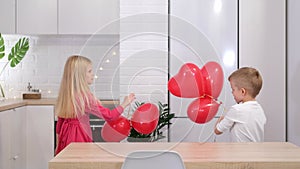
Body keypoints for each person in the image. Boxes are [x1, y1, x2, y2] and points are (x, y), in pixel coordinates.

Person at [55, 55, 135, 155]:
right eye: (89, 71)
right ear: (80, 75)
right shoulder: (84, 98)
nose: (93, 74)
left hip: (65, 137)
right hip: (78, 137)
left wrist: (58, 146)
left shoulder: (66, 94)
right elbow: (110, 116)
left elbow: (59, 124)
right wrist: (125, 103)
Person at [214, 67, 266, 142]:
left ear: (242, 91)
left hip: (240, 153)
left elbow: (217, 130)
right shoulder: (260, 110)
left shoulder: (236, 110)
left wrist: (222, 118)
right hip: (256, 152)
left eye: (233, 89)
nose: (232, 93)